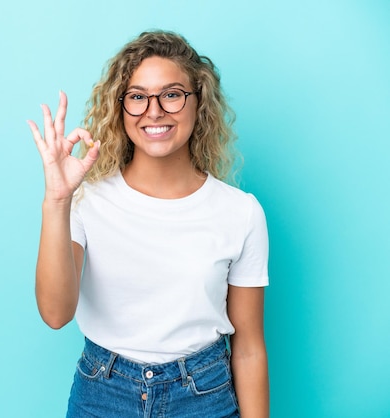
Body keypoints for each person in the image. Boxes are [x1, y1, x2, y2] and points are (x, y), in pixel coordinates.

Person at [27, 30, 269, 418]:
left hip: (203, 396)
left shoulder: (240, 212)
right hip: (102, 394)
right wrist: (57, 200)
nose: (154, 111)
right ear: (121, 108)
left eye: (171, 94)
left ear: (198, 102)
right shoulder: (86, 199)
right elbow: (56, 314)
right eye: (138, 97)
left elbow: (249, 347)